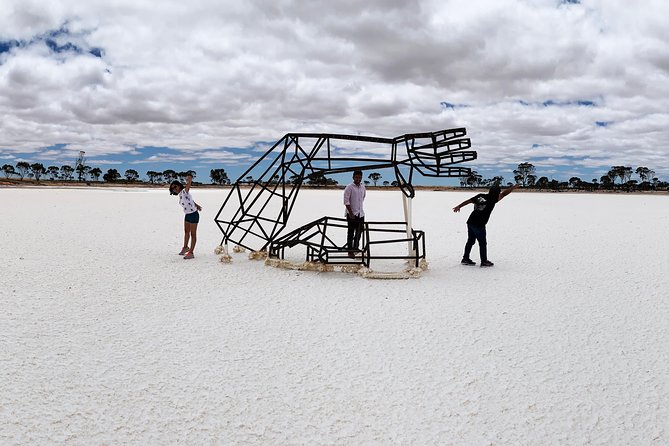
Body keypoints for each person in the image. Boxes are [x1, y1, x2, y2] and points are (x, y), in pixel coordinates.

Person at [452, 183, 518, 267]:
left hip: (471, 221)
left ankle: (465, 258)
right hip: (479, 224)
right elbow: (504, 194)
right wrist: (513, 188)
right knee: (482, 243)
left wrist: (459, 206)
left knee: (470, 241)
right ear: (496, 193)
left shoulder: (480, 196)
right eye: (498, 193)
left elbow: (468, 201)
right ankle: (484, 261)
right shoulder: (493, 199)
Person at [169, 174, 202, 259]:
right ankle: (185, 247)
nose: (174, 189)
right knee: (186, 232)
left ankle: (191, 252)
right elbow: (190, 200)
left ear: (179, 185)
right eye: (173, 188)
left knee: (193, 234)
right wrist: (196, 205)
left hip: (194, 215)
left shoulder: (184, 191)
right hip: (187, 215)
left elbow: (187, 188)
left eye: (175, 187)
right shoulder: (181, 194)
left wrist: (189, 181)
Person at [343, 170, 366, 258]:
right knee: (351, 232)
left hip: (360, 214)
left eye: (360, 177)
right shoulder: (349, 187)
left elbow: (363, 198)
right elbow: (346, 201)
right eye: (356, 177)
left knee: (359, 232)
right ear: (353, 177)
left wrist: (359, 210)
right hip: (352, 214)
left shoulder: (363, 187)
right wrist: (351, 213)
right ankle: (350, 251)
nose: (358, 179)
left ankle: (356, 247)